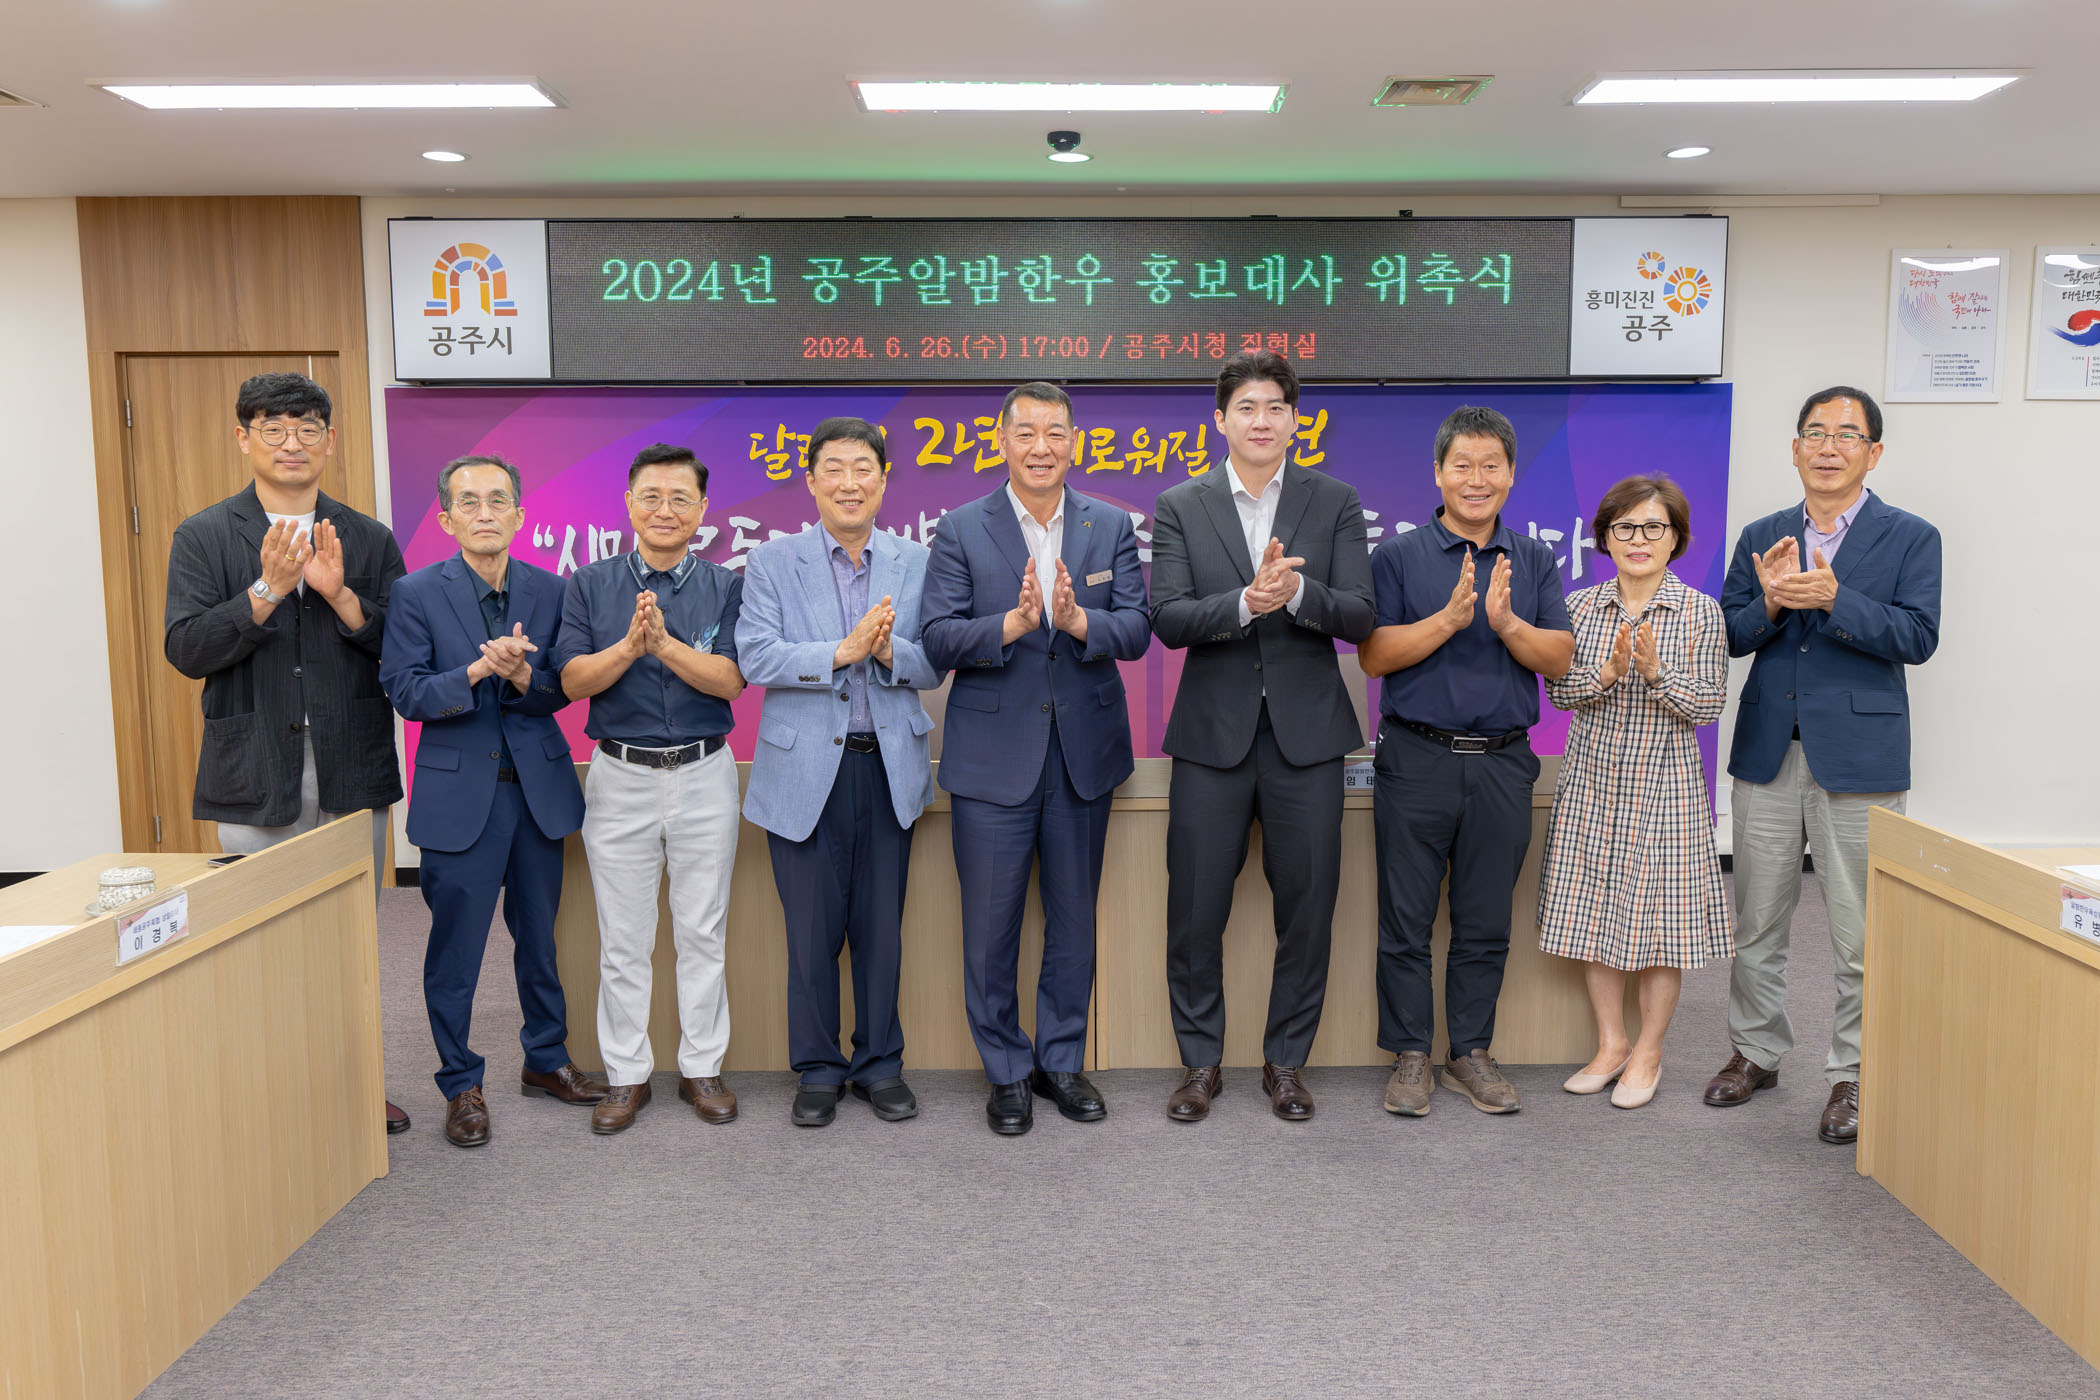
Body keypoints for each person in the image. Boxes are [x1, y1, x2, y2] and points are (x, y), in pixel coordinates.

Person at [164, 370, 412, 1136]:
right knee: (258, 944)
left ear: (329, 440)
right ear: (244, 438)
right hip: (255, 769)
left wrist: (341, 598)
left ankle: (352, 1092)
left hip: (350, 767)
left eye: (306, 428)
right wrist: (266, 592)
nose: (291, 443)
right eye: (273, 428)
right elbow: (187, 649)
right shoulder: (205, 535)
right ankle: (267, 1103)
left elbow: (404, 650)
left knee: (347, 945)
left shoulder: (367, 537)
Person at [1703, 386, 1941, 1145]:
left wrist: (1838, 599)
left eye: (1847, 434)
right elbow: (1728, 634)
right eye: (1815, 432)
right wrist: (1772, 603)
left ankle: (1854, 1073)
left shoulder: (1912, 537)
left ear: (1874, 452)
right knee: (1758, 920)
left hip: (1862, 758)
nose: (1829, 446)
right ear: (1795, 448)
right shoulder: (1762, 533)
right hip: (1769, 752)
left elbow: (1918, 636)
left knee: (1860, 931)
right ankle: (1756, 1051)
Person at [1149, 350, 1377, 1123]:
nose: (1262, 420)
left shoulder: (1334, 500)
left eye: (1276, 406)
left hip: (1306, 740)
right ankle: (1200, 1064)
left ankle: (1286, 1063)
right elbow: (1168, 617)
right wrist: (1247, 602)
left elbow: (1360, 614)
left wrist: (1300, 591)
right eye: (1247, 406)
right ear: (1221, 419)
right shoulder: (1181, 504)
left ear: (1294, 420)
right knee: (1194, 911)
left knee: (1308, 910)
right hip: (1210, 739)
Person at [920, 381, 1151, 1136]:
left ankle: (1060, 1060)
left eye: (1055, 432)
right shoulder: (961, 528)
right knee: (991, 929)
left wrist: (1080, 622)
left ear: (1074, 442)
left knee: (1073, 921)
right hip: (993, 759)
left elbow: (1138, 628)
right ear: (1002, 441)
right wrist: (1014, 624)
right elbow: (938, 638)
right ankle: (1007, 1072)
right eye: (1026, 432)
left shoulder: (1109, 524)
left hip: (1084, 755)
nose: (1041, 447)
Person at [379, 454, 605, 1148]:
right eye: (469, 502)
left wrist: (525, 677)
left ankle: (545, 1058)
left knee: (540, 940)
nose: (485, 513)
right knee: (457, 953)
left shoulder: (553, 590)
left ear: (520, 514)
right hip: (459, 800)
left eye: (497, 500)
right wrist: (478, 669)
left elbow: (564, 687)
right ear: (447, 519)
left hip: (537, 796)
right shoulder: (416, 593)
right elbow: (406, 690)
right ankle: (460, 1082)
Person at [1359, 405, 1574, 1117]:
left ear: (1510, 474)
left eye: (1491, 466)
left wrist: (1508, 624)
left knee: (1485, 921)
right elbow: (1373, 656)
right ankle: (1410, 1054)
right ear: (1438, 473)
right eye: (1462, 465)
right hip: (1415, 758)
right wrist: (1450, 620)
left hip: (1504, 764)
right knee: (1406, 920)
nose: (1476, 479)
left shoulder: (1534, 559)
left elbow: (1559, 659)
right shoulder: (1396, 556)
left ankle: (1470, 1053)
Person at [736, 419, 939, 1128]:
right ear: (812, 480)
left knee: (882, 930)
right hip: (801, 772)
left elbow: (936, 660)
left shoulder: (917, 560)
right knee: (811, 932)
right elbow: (756, 656)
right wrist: (841, 651)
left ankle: (880, 1064)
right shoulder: (771, 562)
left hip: (888, 767)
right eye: (834, 469)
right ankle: (818, 1068)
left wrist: (887, 655)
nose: (849, 483)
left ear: (884, 479)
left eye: (863, 469)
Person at [553, 444, 747, 1135]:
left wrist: (665, 647)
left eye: (680, 498)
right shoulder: (589, 584)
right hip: (620, 776)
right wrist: (629, 648)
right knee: (623, 938)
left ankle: (702, 1068)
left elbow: (731, 680)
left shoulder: (726, 586)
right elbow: (571, 681)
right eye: (652, 496)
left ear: (702, 509)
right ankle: (626, 1074)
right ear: (629, 504)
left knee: (702, 931)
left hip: (704, 773)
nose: (665, 509)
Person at [1537, 475, 1730, 1110]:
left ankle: (1649, 1050)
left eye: (1653, 527)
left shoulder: (1700, 611)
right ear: (1605, 538)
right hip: (1592, 782)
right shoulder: (1578, 608)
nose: (1638, 539)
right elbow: (1559, 694)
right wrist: (1606, 674)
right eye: (1624, 528)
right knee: (1593, 915)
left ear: (1676, 538)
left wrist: (1655, 673)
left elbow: (1708, 706)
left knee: (1661, 925)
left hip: (1666, 789)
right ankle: (1611, 1044)